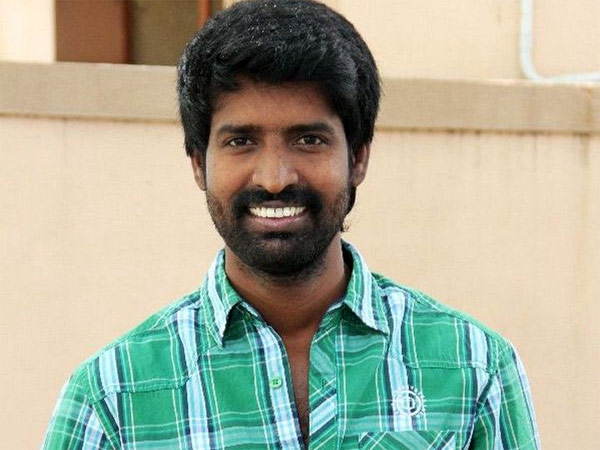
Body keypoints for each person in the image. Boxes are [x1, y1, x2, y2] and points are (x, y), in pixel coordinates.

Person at [42, 1, 540, 449]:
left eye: (308, 140)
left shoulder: (474, 368)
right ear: (198, 163)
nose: (275, 179)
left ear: (358, 158)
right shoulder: (112, 397)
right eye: (240, 141)